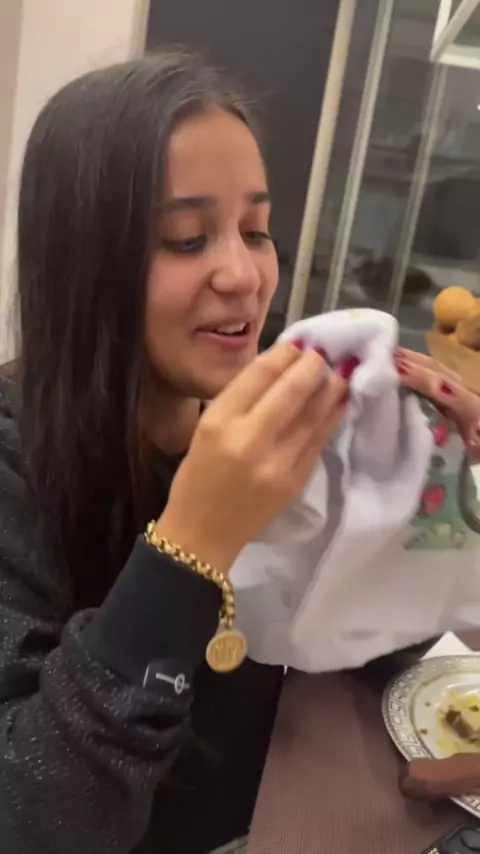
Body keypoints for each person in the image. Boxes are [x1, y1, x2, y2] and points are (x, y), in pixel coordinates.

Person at [0, 51, 348, 854]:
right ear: (83, 260)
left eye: (256, 231)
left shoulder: (259, 428)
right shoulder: (14, 464)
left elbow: (364, 651)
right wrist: (191, 544)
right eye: (187, 240)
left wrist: (424, 484)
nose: (245, 275)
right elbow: (31, 819)